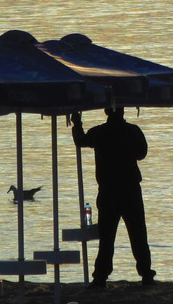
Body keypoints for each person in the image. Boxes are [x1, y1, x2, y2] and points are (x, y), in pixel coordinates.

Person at [71, 107, 156, 288]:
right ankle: (146, 274)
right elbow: (142, 153)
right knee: (138, 234)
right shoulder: (133, 131)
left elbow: (80, 140)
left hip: (108, 190)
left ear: (106, 112)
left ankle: (100, 276)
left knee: (107, 238)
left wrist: (77, 124)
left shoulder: (99, 132)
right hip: (130, 189)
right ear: (123, 111)